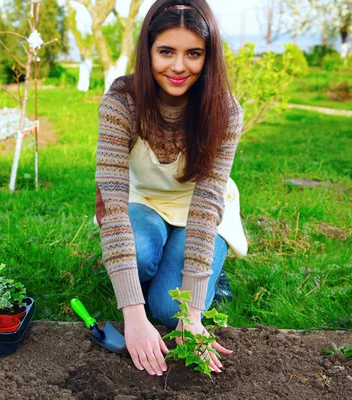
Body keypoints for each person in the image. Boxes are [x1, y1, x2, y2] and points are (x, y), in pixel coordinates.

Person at [94, 0, 248, 377]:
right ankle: (154, 260)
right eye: (166, 51)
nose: (179, 67)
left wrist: (193, 317)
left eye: (193, 54)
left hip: (200, 209)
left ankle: (208, 268)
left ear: (208, 57)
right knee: (141, 253)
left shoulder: (225, 110)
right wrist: (132, 315)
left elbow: (208, 201)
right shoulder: (121, 102)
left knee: (169, 309)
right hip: (142, 201)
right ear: (148, 52)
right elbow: (112, 204)